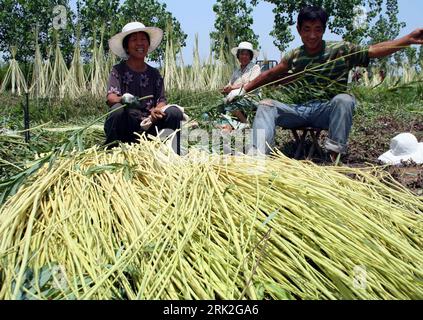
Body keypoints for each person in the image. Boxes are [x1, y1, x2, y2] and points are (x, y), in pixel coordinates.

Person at [226, 6, 423, 161]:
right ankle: (258, 157)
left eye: (317, 30)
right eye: (307, 30)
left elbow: (372, 50)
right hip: (299, 110)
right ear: (299, 30)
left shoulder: (340, 49)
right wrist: (244, 89)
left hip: (326, 111)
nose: (312, 36)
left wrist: (407, 39)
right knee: (266, 105)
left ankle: (334, 156)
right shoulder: (295, 55)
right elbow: (269, 75)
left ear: (324, 30)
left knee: (344, 99)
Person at [105, 21, 184, 152]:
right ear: (126, 46)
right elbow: (111, 97)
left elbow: (161, 100)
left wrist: (156, 111)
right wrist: (124, 99)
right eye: (134, 40)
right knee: (117, 109)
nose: (140, 43)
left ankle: (172, 151)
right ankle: (112, 148)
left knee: (173, 112)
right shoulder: (118, 70)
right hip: (127, 127)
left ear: (148, 44)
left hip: (150, 127)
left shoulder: (154, 74)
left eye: (143, 39)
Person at [221, 41, 261, 125]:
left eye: (247, 54)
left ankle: (246, 123)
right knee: (220, 105)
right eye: (242, 54)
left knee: (230, 105)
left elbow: (252, 84)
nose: (244, 56)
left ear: (250, 56)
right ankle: (232, 122)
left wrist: (232, 88)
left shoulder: (255, 68)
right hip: (236, 98)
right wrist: (226, 89)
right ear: (238, 56)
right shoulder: (236, 70)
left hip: (251, 98)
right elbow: (230, 85)